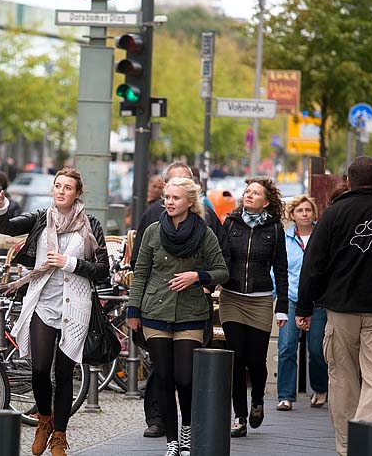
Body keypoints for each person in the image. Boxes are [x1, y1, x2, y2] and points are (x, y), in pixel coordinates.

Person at [296, 156, 372, 456]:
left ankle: (348, 447)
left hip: (340, 309)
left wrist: (304, 307)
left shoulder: (333, 214)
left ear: (347, 180)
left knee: (343, 380)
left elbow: (313, 265)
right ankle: (366, 439)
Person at [0, 167, 109, 456]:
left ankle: (59, 435)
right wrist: (0, 206)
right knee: (41, 369)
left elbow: (104, 270)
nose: (61, 191)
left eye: (68, 187)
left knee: (65, 373)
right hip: (43, 301)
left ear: (77, 193)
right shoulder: (40, 219)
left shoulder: (91, 225)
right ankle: (44, 420)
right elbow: (6, 227)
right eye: (58, 186)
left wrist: (69, 262)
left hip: (76, 305)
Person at [127, 177, 228, 456]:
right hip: (155, 312)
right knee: (164, 377)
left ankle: (187, 429)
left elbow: (222, 270)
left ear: (189, 202)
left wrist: (197, 276)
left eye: (175, 198)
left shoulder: (204, 232)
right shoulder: (152, 231)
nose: (169, 202)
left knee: (185, 378)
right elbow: (141, 275)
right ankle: (173, 441)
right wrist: (133, 311)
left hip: (190, 313)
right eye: (167, 197)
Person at [221, 177, 288, 438]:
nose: (249, 195)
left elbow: (281, 270)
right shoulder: (231, 222)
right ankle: (239, 416)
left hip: (260, 299)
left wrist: (282, 305)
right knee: (237, 358)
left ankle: (257, 400)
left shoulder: (274, 228)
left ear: (266, 201)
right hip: (232, 297)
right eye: (247, 192)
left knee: (256, 360)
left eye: (255, 193)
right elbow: (221, 257)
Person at [275, 195, 327, 412]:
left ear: (314, 213)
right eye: (300, 210)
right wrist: (278, 296)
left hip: (317, 300)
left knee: (317, 349)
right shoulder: (285, 239)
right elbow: (277, 269)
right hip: (291, 298)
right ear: (292, 214)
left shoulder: (323, 237)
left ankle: (320, 388)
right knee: (286, 347)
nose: (304, 214)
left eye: (308, 210)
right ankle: (286, 395)